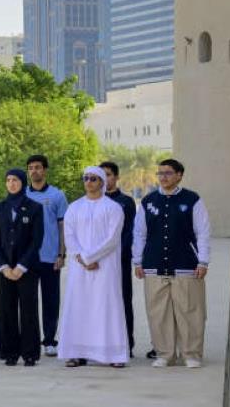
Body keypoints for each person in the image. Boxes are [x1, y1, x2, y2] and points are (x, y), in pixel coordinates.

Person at [134, 158, 210, 369]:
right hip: (154, 265)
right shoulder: (148, 202)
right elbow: (139, 233)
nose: (163, 177)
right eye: (160, 173)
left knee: (190, 311)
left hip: (186, 264)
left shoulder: (192, 200)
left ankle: (191, 354)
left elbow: (202, 232)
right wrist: (137, 261)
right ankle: (165, 354)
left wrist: (203, 261)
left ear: (179, 175)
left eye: (168, 173)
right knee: (158, 312)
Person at [58, 167, 127, 368]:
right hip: (79, 268)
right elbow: (69, 236)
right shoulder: (74, 207)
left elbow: (112, 239)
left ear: (102, 182)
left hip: (105, 267)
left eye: (94, 179)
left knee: (106, 307)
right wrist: (82, 258)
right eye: (86, 178)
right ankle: (76, 353)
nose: (89, 182)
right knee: (79, 307)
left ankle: (114, 354)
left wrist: (91, 257)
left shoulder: (113, 208)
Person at [0, 168, 44, 366]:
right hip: (5, 269)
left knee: (28, 311)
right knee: (7, 310)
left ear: (22, 182)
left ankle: (30, 353)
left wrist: (21, 266)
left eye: (15, 180)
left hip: (27, 269)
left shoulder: (34, 207)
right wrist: (4, 266)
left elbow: (36, 240)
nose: (11, 183)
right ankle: (9, 353)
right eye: (8, 180)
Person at [25, 154, 68, 357]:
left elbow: (62, 226)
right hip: (28, 259)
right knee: (29, 302)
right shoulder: (22, 194)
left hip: (50, 257)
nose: (34, 171)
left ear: (45, 170)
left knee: (50, 301)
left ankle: (50, 340)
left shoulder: (57, 195)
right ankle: (30, 340)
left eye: (38, 167)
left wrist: (61, 253)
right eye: (31, 168)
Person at [101, 160, 137, 356]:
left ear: (116, 177)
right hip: (97, 263)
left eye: (109, 174)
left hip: (119, 261)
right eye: (102, 174)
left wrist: (117, 253)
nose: (105, 179)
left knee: (123, 301)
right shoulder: (90, 203)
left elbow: (129, 232)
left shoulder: (126, 202)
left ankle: (126, 345)